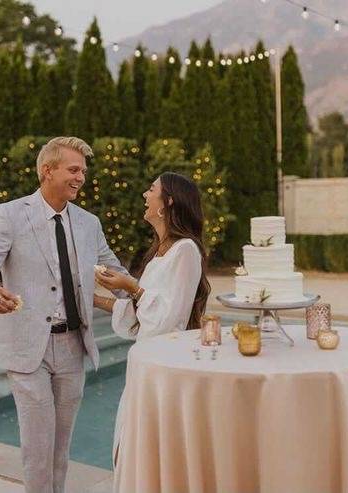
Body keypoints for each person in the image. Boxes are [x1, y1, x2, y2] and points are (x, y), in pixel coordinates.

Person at [0, 136, 129, 493]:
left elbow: (116, 273)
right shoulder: (10, 214)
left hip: (74, 345)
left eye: (83, 171)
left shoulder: (89, 223)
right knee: (38, 448)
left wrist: (150, 295)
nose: (81, 177)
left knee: (61, 448)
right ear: (47, 170)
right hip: (29, 349)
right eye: (73, 169)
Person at [93, 172, 209, 465]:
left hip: (165, 364)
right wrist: (89, 298)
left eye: (151, 189)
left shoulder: (186, 250)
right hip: (145, 361)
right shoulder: (159, 252)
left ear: (168, 201)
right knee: (130, 442)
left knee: (152, 450)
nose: (145, 195)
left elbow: (170, 318)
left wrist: (131, 285)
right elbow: (140, 313)